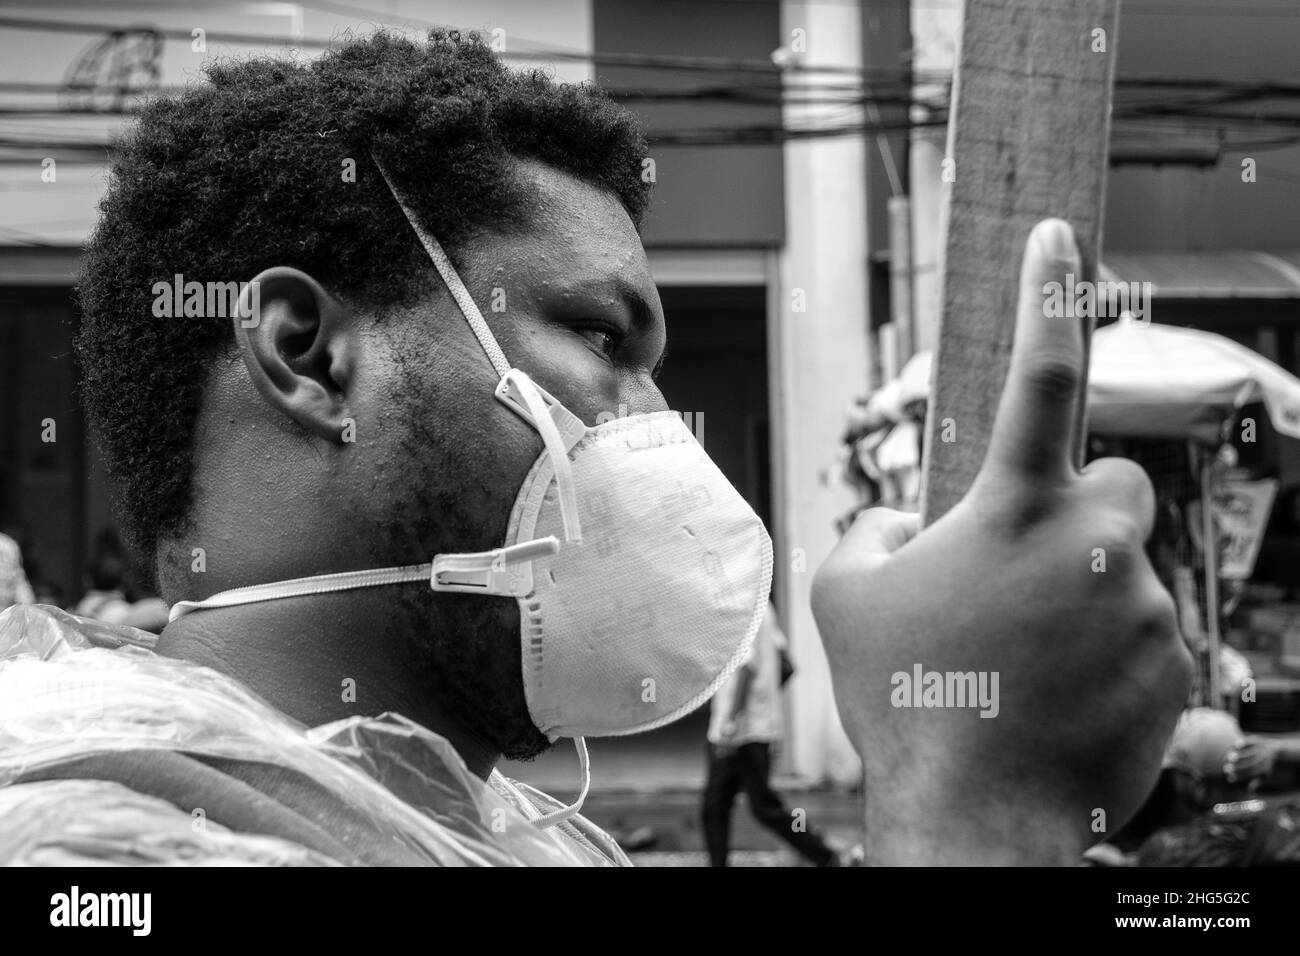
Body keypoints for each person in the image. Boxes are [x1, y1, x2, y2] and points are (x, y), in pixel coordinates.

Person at [0, 30, 1190, 866]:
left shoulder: (507, 829)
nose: (657, 424)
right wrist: (977, 810)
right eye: (600, 337)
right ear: (309, 355)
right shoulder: (102, 834)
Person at [702, 602, 839, 866]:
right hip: (757, 727)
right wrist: (767, 703)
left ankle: (825, 855)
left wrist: (731, 722)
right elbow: (785, 664)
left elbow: (745, 667)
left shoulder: (743, 607)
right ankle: (825, 855)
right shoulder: (764, 607)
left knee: (746, 806)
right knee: (730, 806)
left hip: (739, 731)